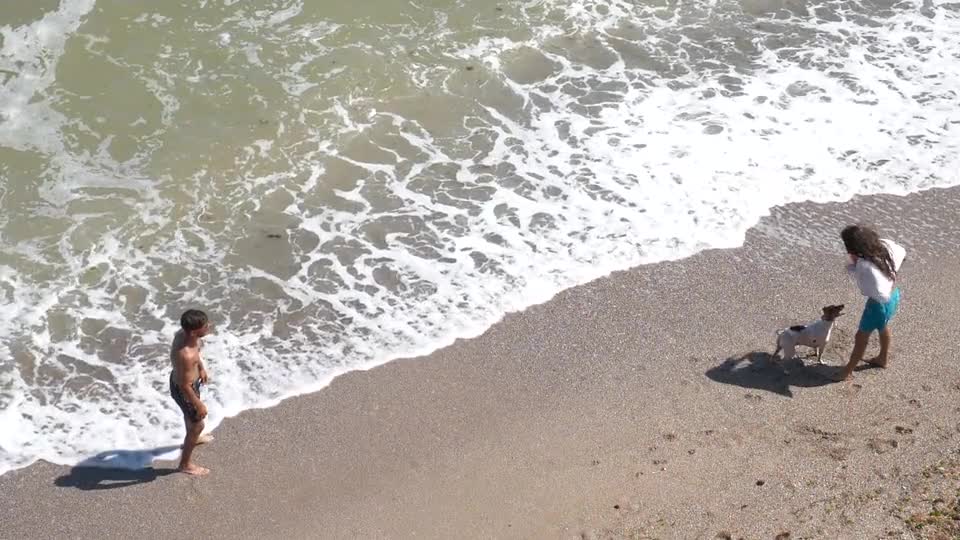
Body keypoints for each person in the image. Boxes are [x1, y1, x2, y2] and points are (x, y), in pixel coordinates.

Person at [839, 225, 906, 381]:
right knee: (883, 327)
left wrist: (857, 266)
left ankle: (847, 371)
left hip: (878, 304)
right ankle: (882, 358)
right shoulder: (884, 246)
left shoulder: (865, 266)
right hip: (894, 294)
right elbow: (902, 252)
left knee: (861, 337)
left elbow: (868, 289)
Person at [170, 309, 213, 476]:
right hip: (185, 390)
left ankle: (192, 437)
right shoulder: (185, 355)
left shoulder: (186, 335)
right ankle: (185, 464)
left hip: (187, 383)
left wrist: (200, 368)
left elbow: (197, 353)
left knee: (192, 420)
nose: (208, 327)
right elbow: (184, 385)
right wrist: (198, 403)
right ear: (195, 331)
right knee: (198, 425)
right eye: (205, 326)